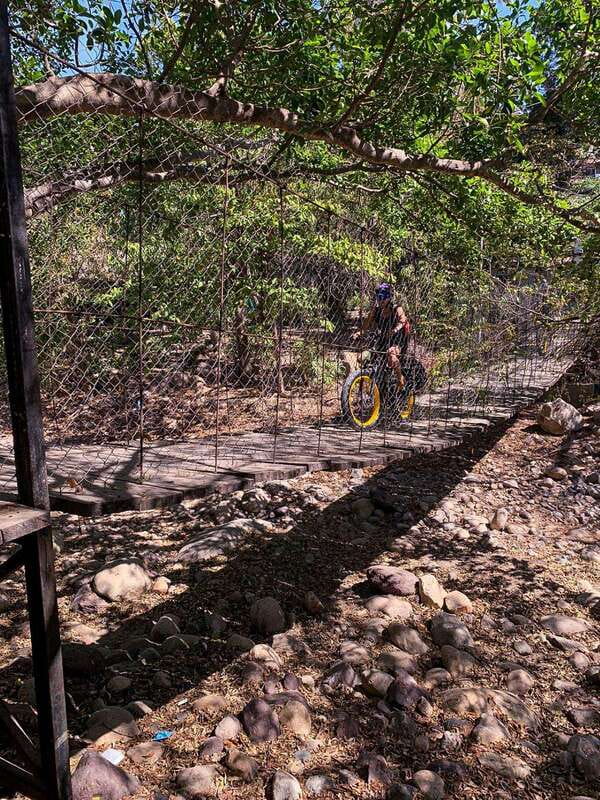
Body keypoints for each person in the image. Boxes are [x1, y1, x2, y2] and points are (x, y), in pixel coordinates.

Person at [352, 282, 410, 390]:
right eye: (378, 297)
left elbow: (403, 320)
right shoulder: (376, 310)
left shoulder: (396, 308)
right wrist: (359, 333)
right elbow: (366, 324)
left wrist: (394, 330)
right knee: (361, 358)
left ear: (389, 297)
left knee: (391, 356)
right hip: (382, 340)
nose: (380, 300)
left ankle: (400, 379)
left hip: (397, 341)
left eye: (383, 297)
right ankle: (363, 387)